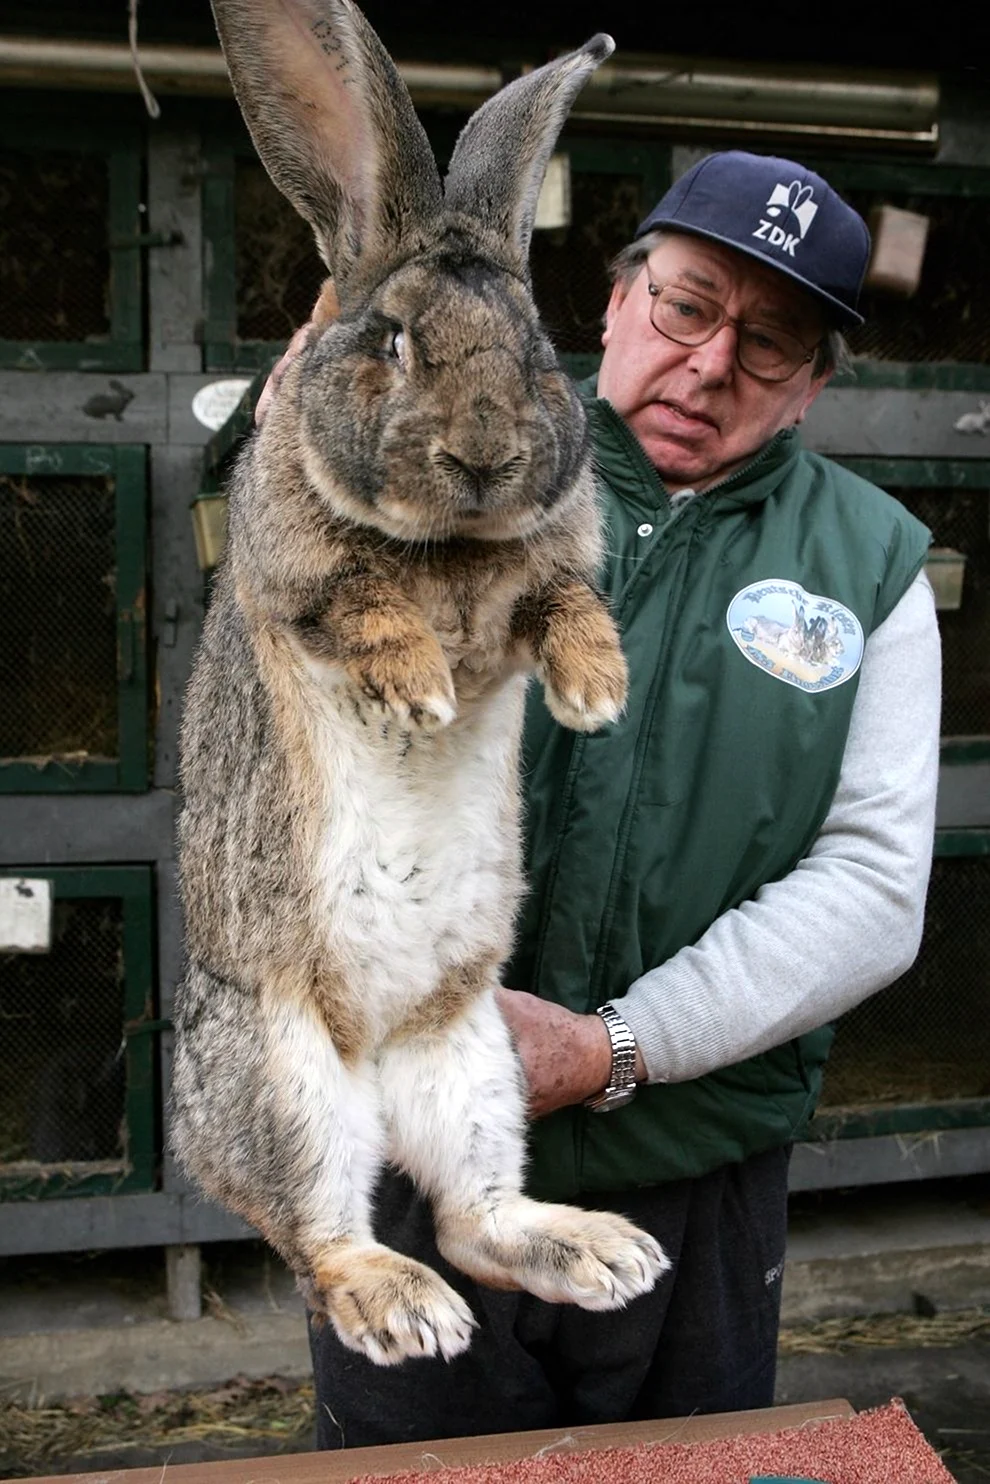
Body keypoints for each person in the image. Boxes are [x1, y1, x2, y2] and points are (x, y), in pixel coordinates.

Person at [259, 151, 941, 1447]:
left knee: (677, 1466)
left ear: (810, 385)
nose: (709, 363)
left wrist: (612, 1048)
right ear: (619, 299)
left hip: (693, 1171)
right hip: (418, 1157)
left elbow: (869, 884)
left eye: (771, 340)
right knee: (418, 1473)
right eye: (687, 306)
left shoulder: (870, 569)